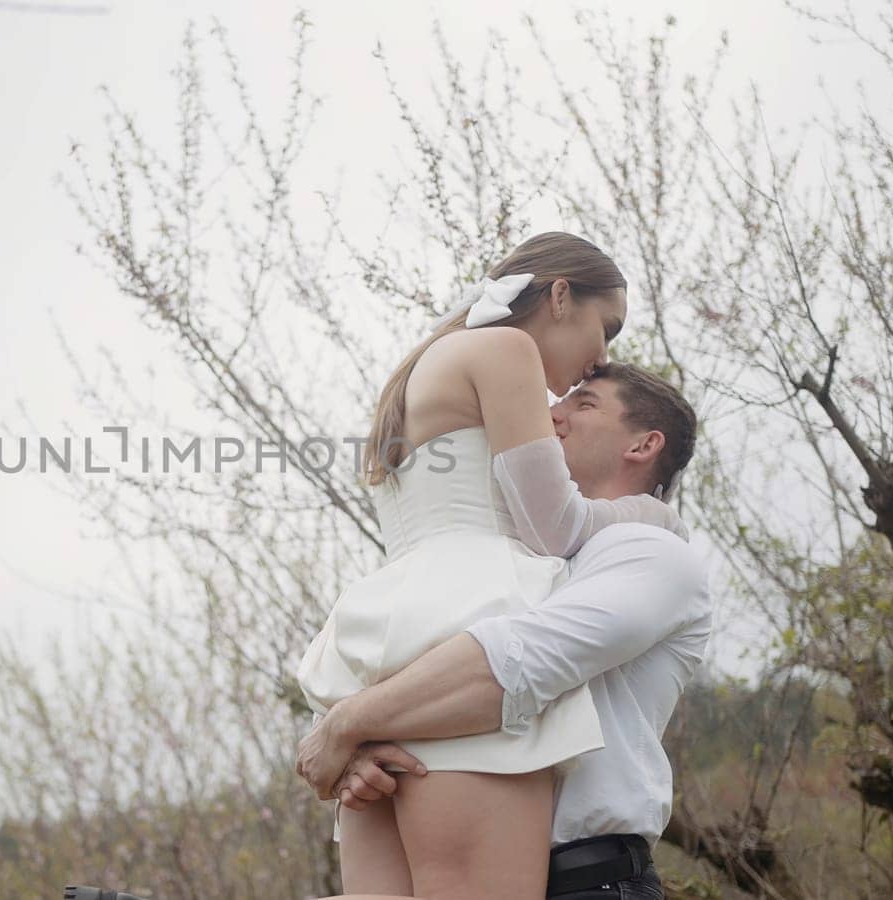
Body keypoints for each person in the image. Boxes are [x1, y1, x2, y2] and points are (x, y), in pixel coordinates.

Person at [294, 233, 688, 899]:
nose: (602, 355)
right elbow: (552, 526)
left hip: (395, 644)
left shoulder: (422, 372)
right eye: (607, 326)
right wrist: (646, 515)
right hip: (470, 623)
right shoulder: (506, 351)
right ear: (561, 296)